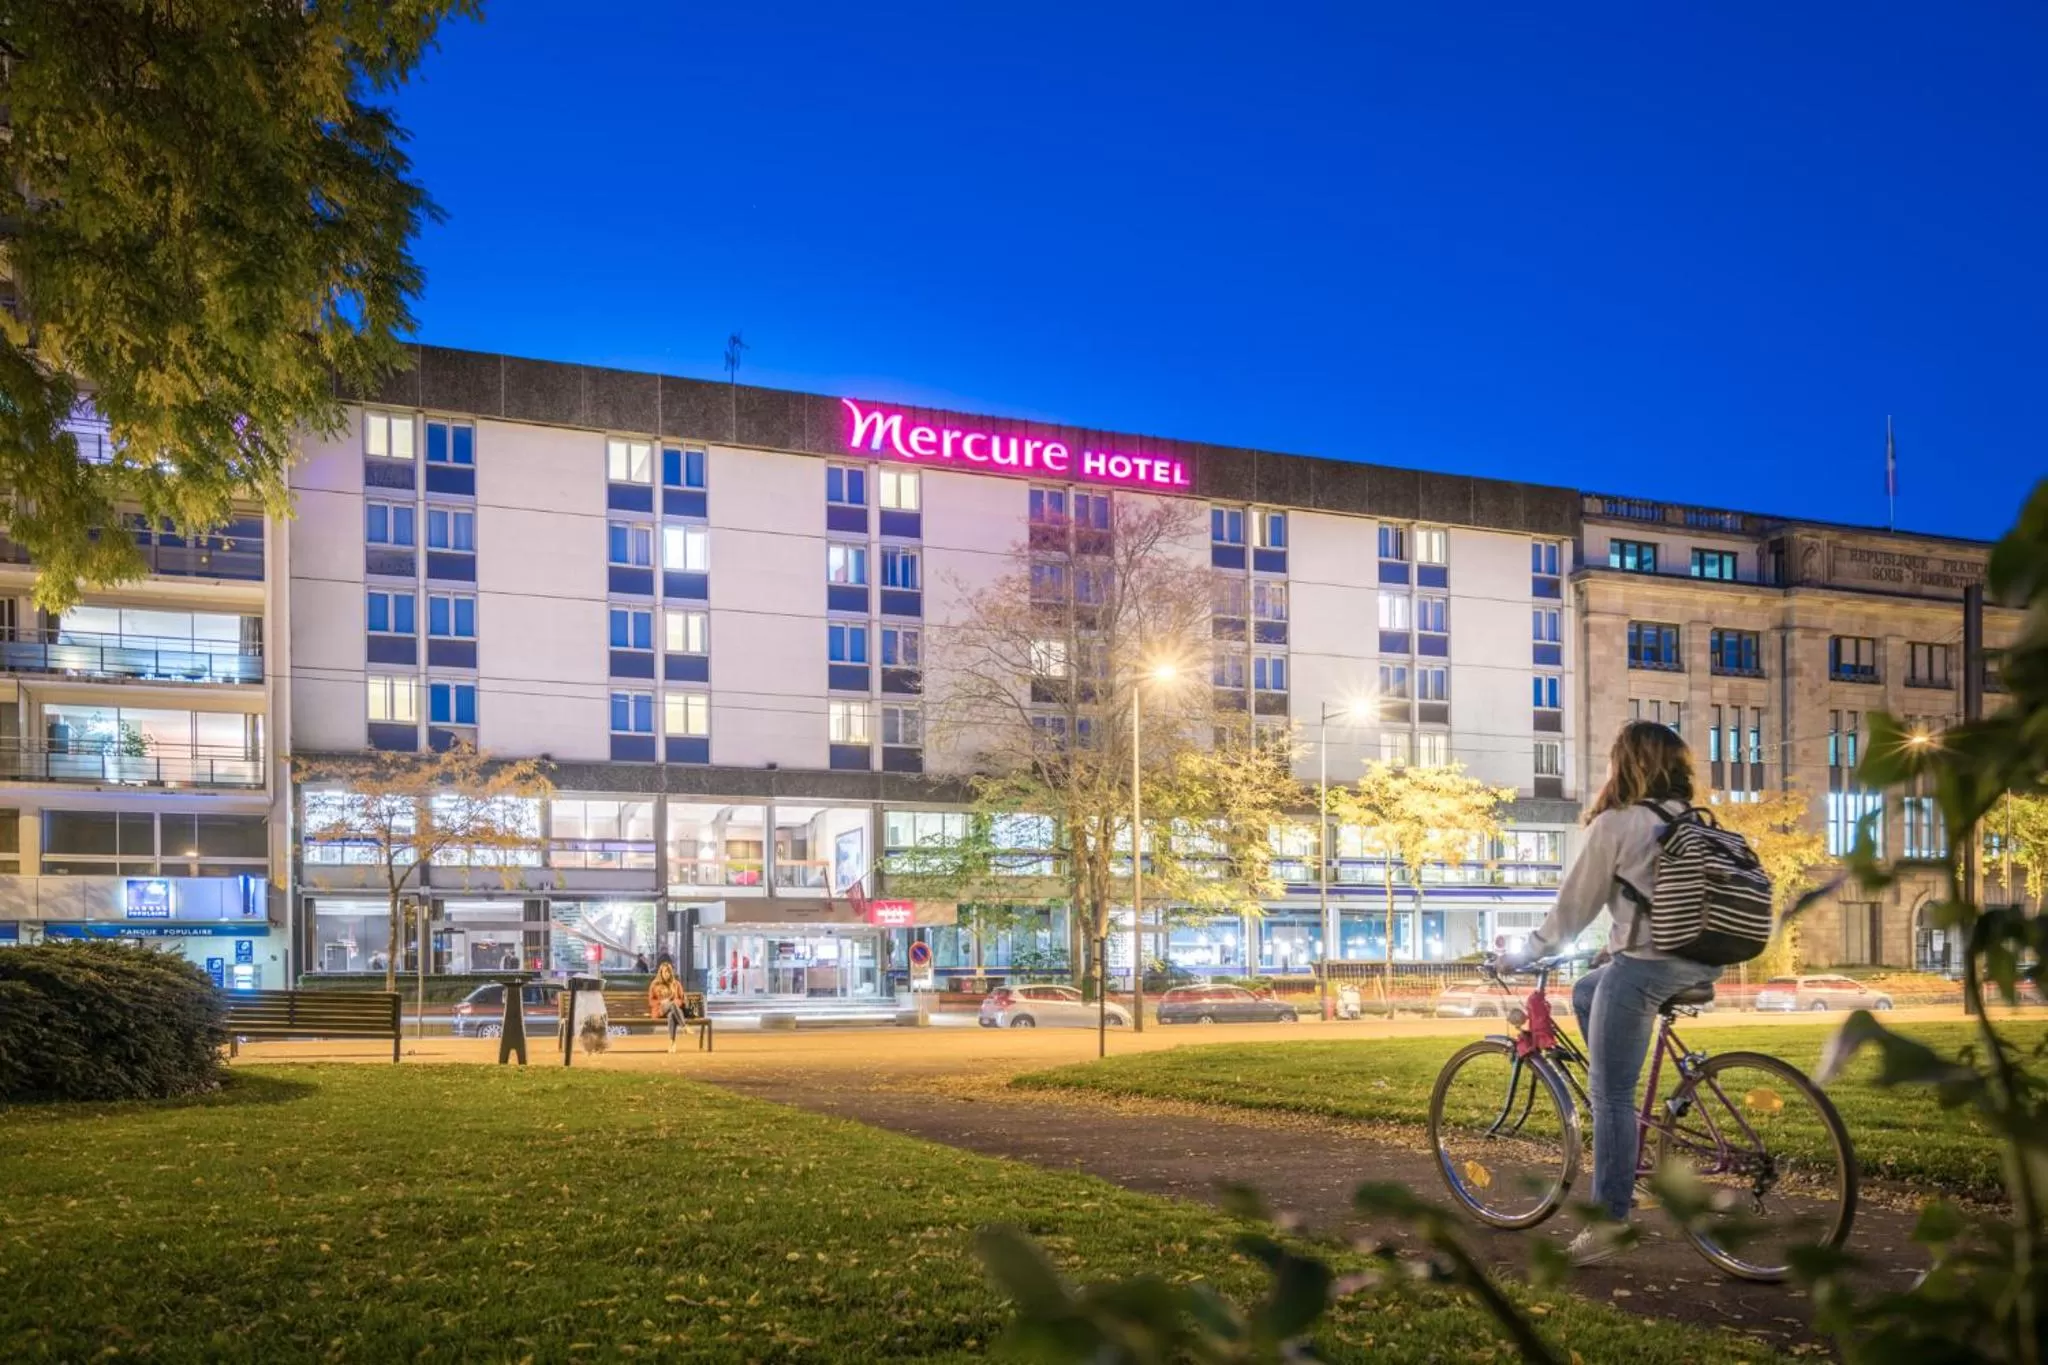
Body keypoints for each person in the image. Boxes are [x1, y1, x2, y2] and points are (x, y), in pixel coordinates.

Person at [1507, 720, 1719, 1267]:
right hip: (1701, 961)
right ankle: (1630, 1143)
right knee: (1586, 991)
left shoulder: (1620, 822)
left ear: (1627, 765)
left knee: (1610, 1098)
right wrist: (1614, 946)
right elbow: (1657, 902)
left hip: (1646, 968)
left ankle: (1608, 1224)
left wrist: (1523, 953)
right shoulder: (1689, 818)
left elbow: (1572, 909)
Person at [647, 959, 691, 1054]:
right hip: (660, 1010)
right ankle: (684, 1026)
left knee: (671, 1015)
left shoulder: (676, 984)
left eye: (669, 972)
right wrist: (662, 1002)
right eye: (665, 972)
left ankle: (672, 1043)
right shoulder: (655, 984)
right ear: (661, 973)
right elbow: (651, 1001)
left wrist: (675, 1002)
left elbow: (682, 999)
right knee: (672, 1005)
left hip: (674, 1011)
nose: (667, 974)